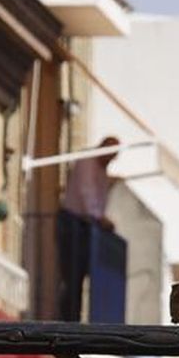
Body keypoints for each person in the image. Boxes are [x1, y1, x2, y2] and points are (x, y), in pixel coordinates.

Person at [56, 136, 122, 321]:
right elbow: (87, 194)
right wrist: (100, 217)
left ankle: (76, 318)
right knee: (72, 276)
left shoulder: (101, 170)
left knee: (83, 275)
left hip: (87, 225)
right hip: (74, 223)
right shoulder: (87, 161)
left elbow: (97, 198)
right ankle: (69, 320)